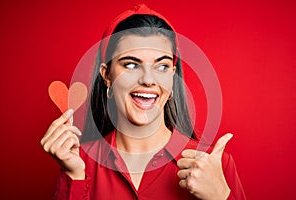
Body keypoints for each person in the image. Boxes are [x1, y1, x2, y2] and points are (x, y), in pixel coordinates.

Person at [41, 4, 246, 200]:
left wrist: (221, 196)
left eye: (162, 66)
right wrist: (74, 178)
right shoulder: (79, 163)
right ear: (107, 76)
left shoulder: (214, 163)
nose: (148, 80)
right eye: (131, 64)